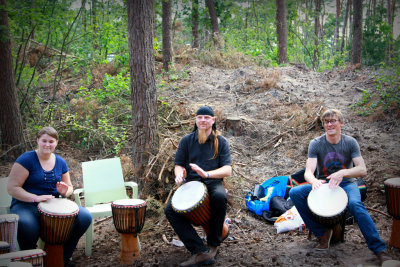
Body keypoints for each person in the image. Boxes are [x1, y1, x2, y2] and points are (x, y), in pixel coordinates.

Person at [289, 109, 392, 265]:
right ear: (323, 125)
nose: (330, 124)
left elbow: (362, 170)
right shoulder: (316, 144)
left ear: (341, 123)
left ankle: (379, 250)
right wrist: (314, 181)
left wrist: (343, 173)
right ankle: (322, 233)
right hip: (323, 183)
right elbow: (308, 172)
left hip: (347, 184)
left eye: (333, 120)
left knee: (355, 204)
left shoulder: (350, 142)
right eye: (326, 121)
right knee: (295, 192)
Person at [7, 127, 92, 267]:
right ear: (37, 141)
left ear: (56, 143)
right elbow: (12, 188)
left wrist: (65, 191)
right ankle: (31, 259)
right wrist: (35, 198)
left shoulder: (60, 162)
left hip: (53, 205)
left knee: (84, 217)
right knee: (27, 225)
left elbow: (69, 187)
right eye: (44, 141)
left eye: (51, 141)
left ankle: (64, 256)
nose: (47, 144)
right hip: (26, 205)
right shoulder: (26, 159)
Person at [165, 106, 232, 267]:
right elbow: (179, 164)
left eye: (206, 117)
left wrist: (207, 174)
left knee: (220, 196)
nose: (203, 120)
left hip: (212, 182)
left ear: (213, 120)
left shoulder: (220, 142)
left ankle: (213, 244)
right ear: (196, 120)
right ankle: (199, 251)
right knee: (169, 210)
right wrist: (179, 174)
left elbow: (227, 169)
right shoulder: (187, 141)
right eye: (200, 117)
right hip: (192, 184)